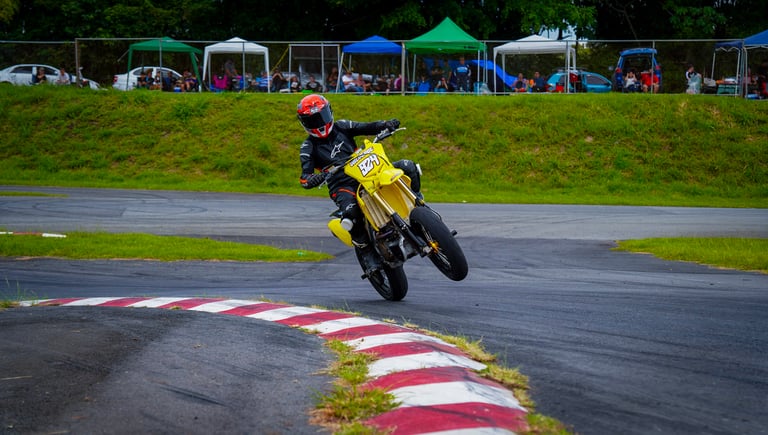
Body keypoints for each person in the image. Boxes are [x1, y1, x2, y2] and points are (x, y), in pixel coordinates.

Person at [296, 94, 422, 250]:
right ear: (304, 123)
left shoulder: (342, 126)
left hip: (367, 168)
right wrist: (314, 178)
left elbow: (367, 127)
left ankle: (418, 204)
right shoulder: (307, 147)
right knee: (351, 213)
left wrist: (385, 124)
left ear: (329, 112)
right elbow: (305, 178)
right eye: (313, 120)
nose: (320, 123)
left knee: (408, 166)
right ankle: (364, 246)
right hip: (342, 183)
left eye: (322, 116)